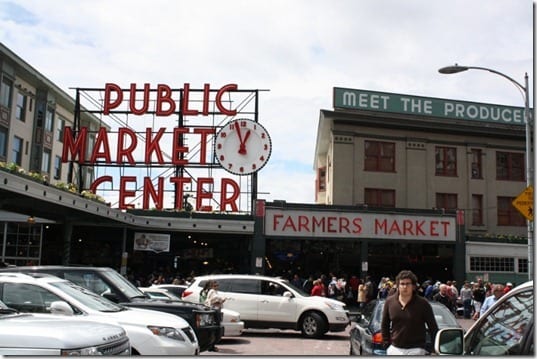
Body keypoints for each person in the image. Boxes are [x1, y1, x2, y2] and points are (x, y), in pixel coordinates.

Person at [381, 270, 439, 355]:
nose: (405, 287)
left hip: (416, 350)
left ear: (413, 286)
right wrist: (386, 343)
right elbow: (384, 324)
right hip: (395, 349)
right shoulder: (390, 302)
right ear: (397, 286)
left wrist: (434, 349)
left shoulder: (423, 303)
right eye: (402, 284)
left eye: (408, 284)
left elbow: (433, 327)